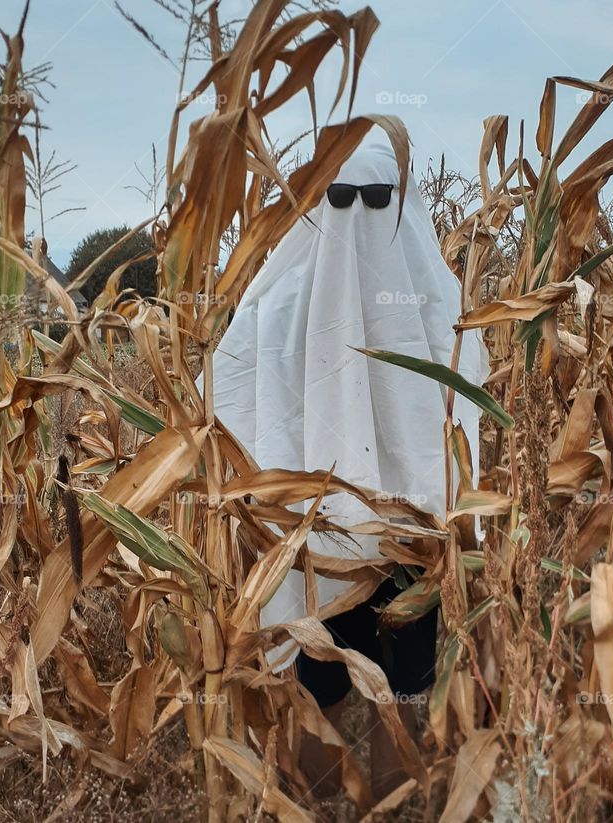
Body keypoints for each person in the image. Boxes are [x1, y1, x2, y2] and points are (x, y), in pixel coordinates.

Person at [203, 136, 486, 799]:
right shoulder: (424, 298)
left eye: (376, 200)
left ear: (403, 202)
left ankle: (374, 804)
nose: (358, 217)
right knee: (328, 679)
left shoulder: (427, 303)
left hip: (386, 533)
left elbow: (226, 395)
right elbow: (227, 394)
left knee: (397, 682)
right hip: (325, 537)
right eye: (341, 198)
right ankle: (328, 803)